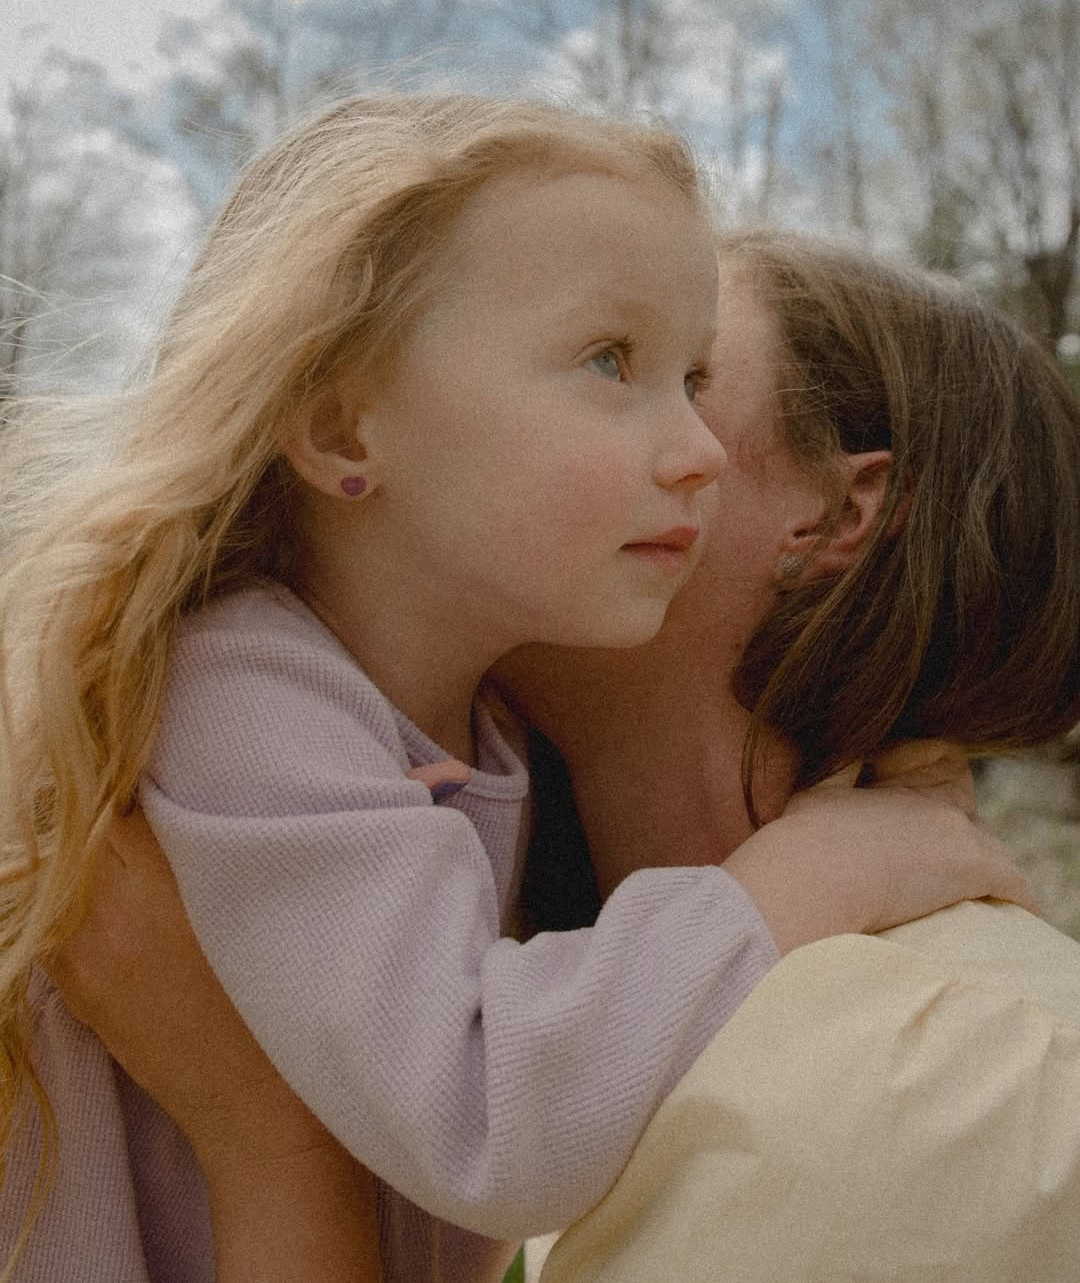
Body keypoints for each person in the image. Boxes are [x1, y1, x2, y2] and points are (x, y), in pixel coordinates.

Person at [0, 90, 1030, 1283]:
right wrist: (825, 871)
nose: (697, 447)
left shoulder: (466, 724)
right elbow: (487, 1114)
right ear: (344, 431)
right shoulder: (241, 689)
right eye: (611, 361)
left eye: (695, 378)